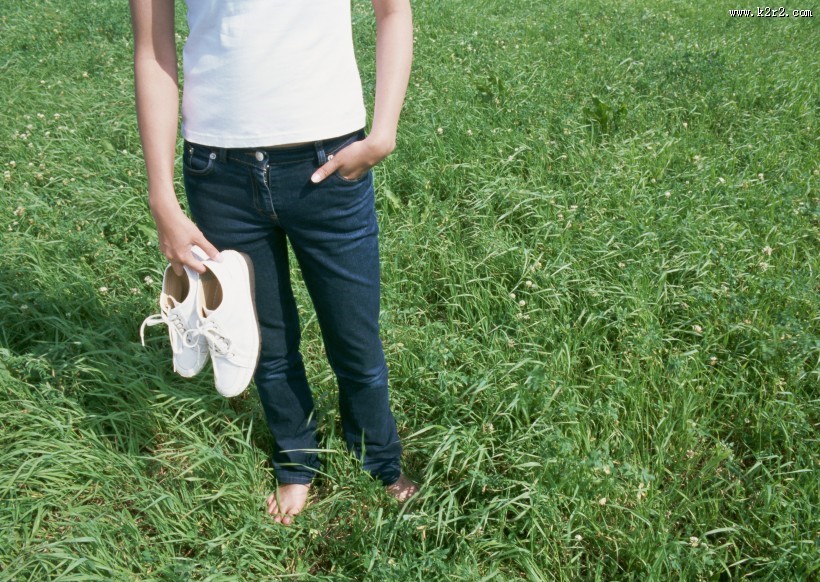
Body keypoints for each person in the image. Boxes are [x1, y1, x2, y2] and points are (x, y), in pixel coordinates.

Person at [128, 0, 418, 525]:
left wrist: (383, 134)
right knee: (262, 339)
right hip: (218, 173)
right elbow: (152, 48)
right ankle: (296, 462)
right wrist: (161, 199)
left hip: (330, 163)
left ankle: (378, 460)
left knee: (354, 336)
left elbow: (393, 11)